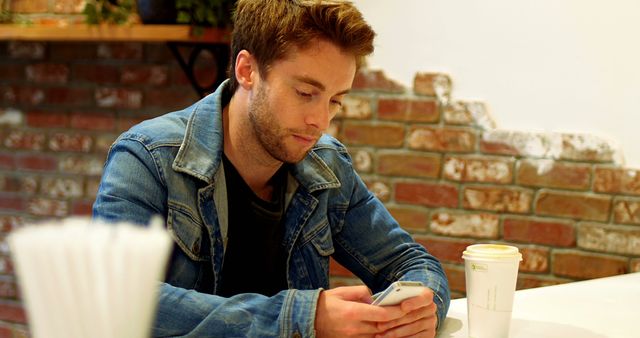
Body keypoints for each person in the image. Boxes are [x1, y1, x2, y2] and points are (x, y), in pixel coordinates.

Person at [93, 0, 450, 337]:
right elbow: (116, 295)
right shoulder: (147, 156)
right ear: (247, 70)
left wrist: (420, 306)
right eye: (305, 93)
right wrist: (303, 318)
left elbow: (411, 262)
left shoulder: (325, 164)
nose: (321, 121)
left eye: (336, 100)